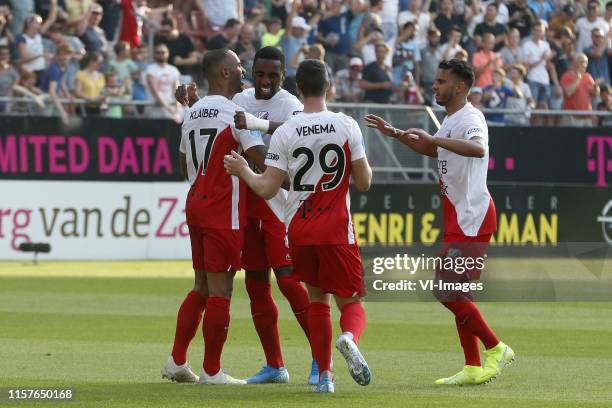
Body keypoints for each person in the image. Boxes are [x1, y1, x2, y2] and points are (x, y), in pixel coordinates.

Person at [224, 58, 373, 394]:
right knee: (351, 302)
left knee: (317, 300)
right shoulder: (347, 125)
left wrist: (242, 170)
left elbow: (266, 188)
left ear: (299, 89)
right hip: (337, 230)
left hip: (300, 230)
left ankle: (325, 378)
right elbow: (364, 182)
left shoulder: (287, 131)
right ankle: (348, 338)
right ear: (330, 86)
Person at [365, 59, 514, 386]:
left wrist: (435, 141)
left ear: (460, 87)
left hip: (471, 217)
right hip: (459, 214)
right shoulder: (450, 120)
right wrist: (397, 135)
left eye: (442, 81)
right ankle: (473, 365)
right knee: (458, 293)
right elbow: (434, 150)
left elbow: (477, 149)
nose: (435, 85)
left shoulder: (471, 117)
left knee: (445, 290)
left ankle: (496, 347)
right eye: (436, 80)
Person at [176, 46, 316, 385]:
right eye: (260, 74)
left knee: (288, 279)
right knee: (255, 285)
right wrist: (194, 105)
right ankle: (275, 365)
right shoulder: (239, 99)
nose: (265, 81)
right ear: (250, 73)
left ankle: (319, 360)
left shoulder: (290, 106)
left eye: (273, 75)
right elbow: (218, 129)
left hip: (275, 204)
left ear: (284, 77)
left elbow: (295, 141)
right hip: (243, 204)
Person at [161, 49, 265, 386]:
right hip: (223, 206)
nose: (242, 69)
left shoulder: (191, 113)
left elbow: (183, 168)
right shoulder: (236, 114)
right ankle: (212, 371)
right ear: (223, 72)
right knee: (221, 290)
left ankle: (177, 361)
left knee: (202, 286)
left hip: (196, 201)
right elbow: (260, 160)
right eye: (237, 65)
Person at [561, 53, 599, 126]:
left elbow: (595, 94)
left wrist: (596, 87)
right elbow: (568, 93)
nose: (584, 64)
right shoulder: (567, 76)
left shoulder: (588, 76)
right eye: (582, 62)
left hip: (587, 118)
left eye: (586, 62)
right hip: (572, 117)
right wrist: (578, 78)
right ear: (575, 63)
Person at [145, 43, 181, 121]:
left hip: (171, 108)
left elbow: (177, 89)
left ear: (168, 53)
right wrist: (168, 108)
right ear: (154, 54)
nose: (161, 54)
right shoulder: (150, 69)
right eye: (158, 52)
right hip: (154, 108)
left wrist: (177, 106)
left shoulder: (173, 69)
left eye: (163, 52)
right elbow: (154, 91)